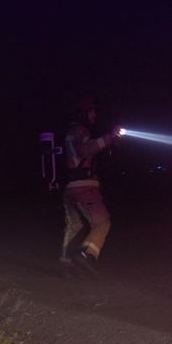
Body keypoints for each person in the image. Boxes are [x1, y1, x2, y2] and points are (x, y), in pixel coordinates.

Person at [59, 96, 120, 278]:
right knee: (102, 222)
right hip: (83, 187)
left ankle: (66, 263)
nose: (94, 115)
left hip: (69, 187)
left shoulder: (70, 131)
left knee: (75, 225)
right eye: (92, 111)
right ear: (84, 113)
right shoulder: (80, 130)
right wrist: (109, 138)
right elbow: (85, 149)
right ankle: (86, 254)